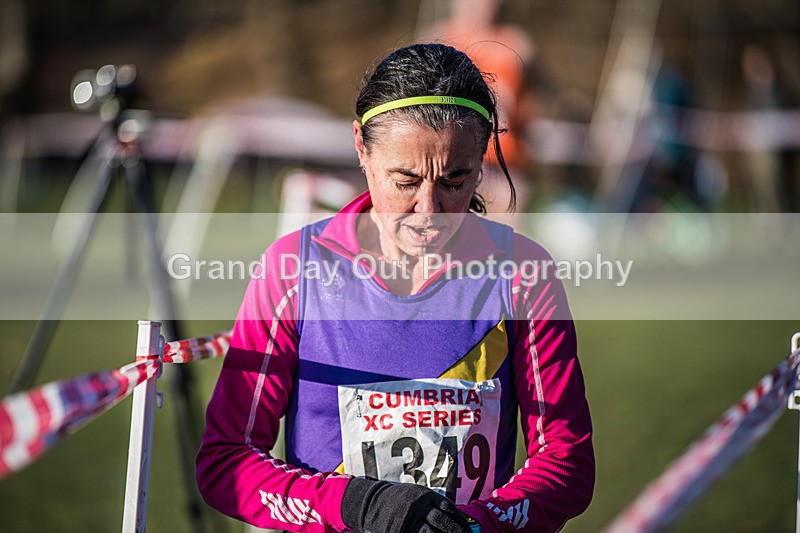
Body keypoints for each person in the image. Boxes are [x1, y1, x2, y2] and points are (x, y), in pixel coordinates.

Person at [196, 43, 594, 533]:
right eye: (404, 180)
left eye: (455, 179)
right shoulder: (291, 270)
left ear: (483, 155)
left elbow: (566, 461)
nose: (428, 210)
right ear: (361, 146)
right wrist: (356, 505)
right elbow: (225, 463)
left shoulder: (523, 274)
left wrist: (474, 525)